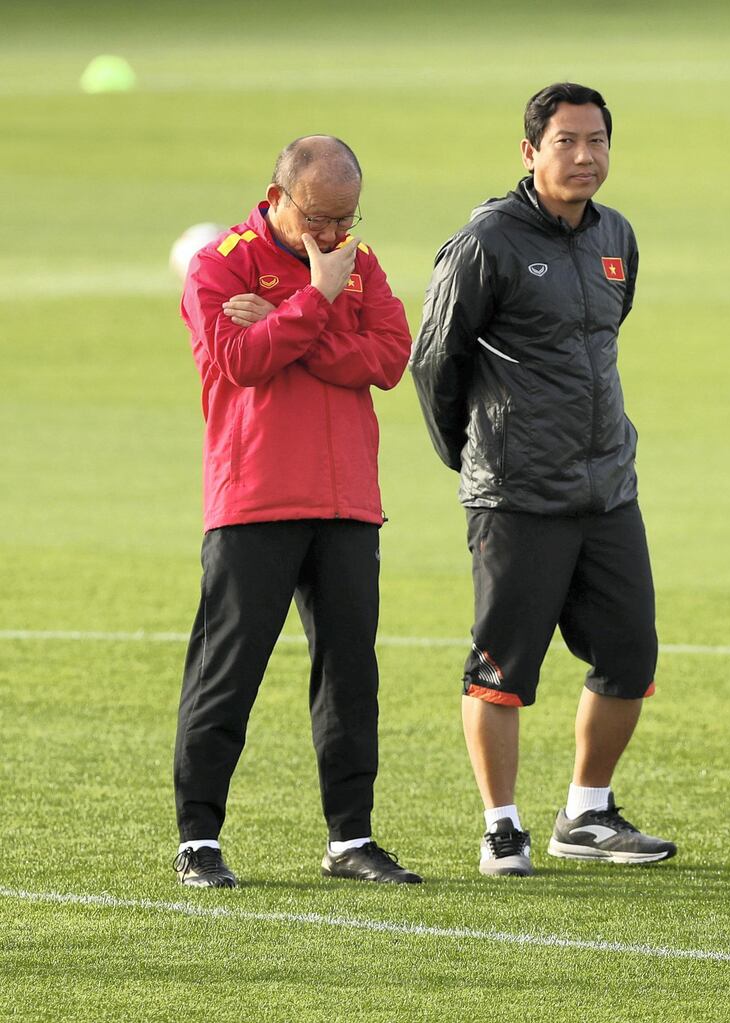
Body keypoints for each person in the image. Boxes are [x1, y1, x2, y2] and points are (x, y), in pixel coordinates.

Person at [410, 83, 676, 876]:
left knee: (631, 654)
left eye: (597, 140)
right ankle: (502, 827)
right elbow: (435, 361)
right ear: (530, 152)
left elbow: (603, 333)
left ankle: (586, 813)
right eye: (567, 141)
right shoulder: (487, 241)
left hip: (607, 488)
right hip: (517, 493)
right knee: (502, 666)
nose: (585, 156)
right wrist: (477, 456)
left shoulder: (616, 235)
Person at [173, 135, 422, 887]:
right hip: (254, 498)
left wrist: (288, 318)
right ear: (276, 195)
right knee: (228, 671)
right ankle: (199, 840)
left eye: (345, 218)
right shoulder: (220, 264)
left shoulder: (361, 262)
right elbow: (239, 361)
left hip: (348, 500)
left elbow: (387, 357)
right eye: (319, 218)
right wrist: (317, 301)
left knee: (350, 676)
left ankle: (351, 839)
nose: (333, 236)